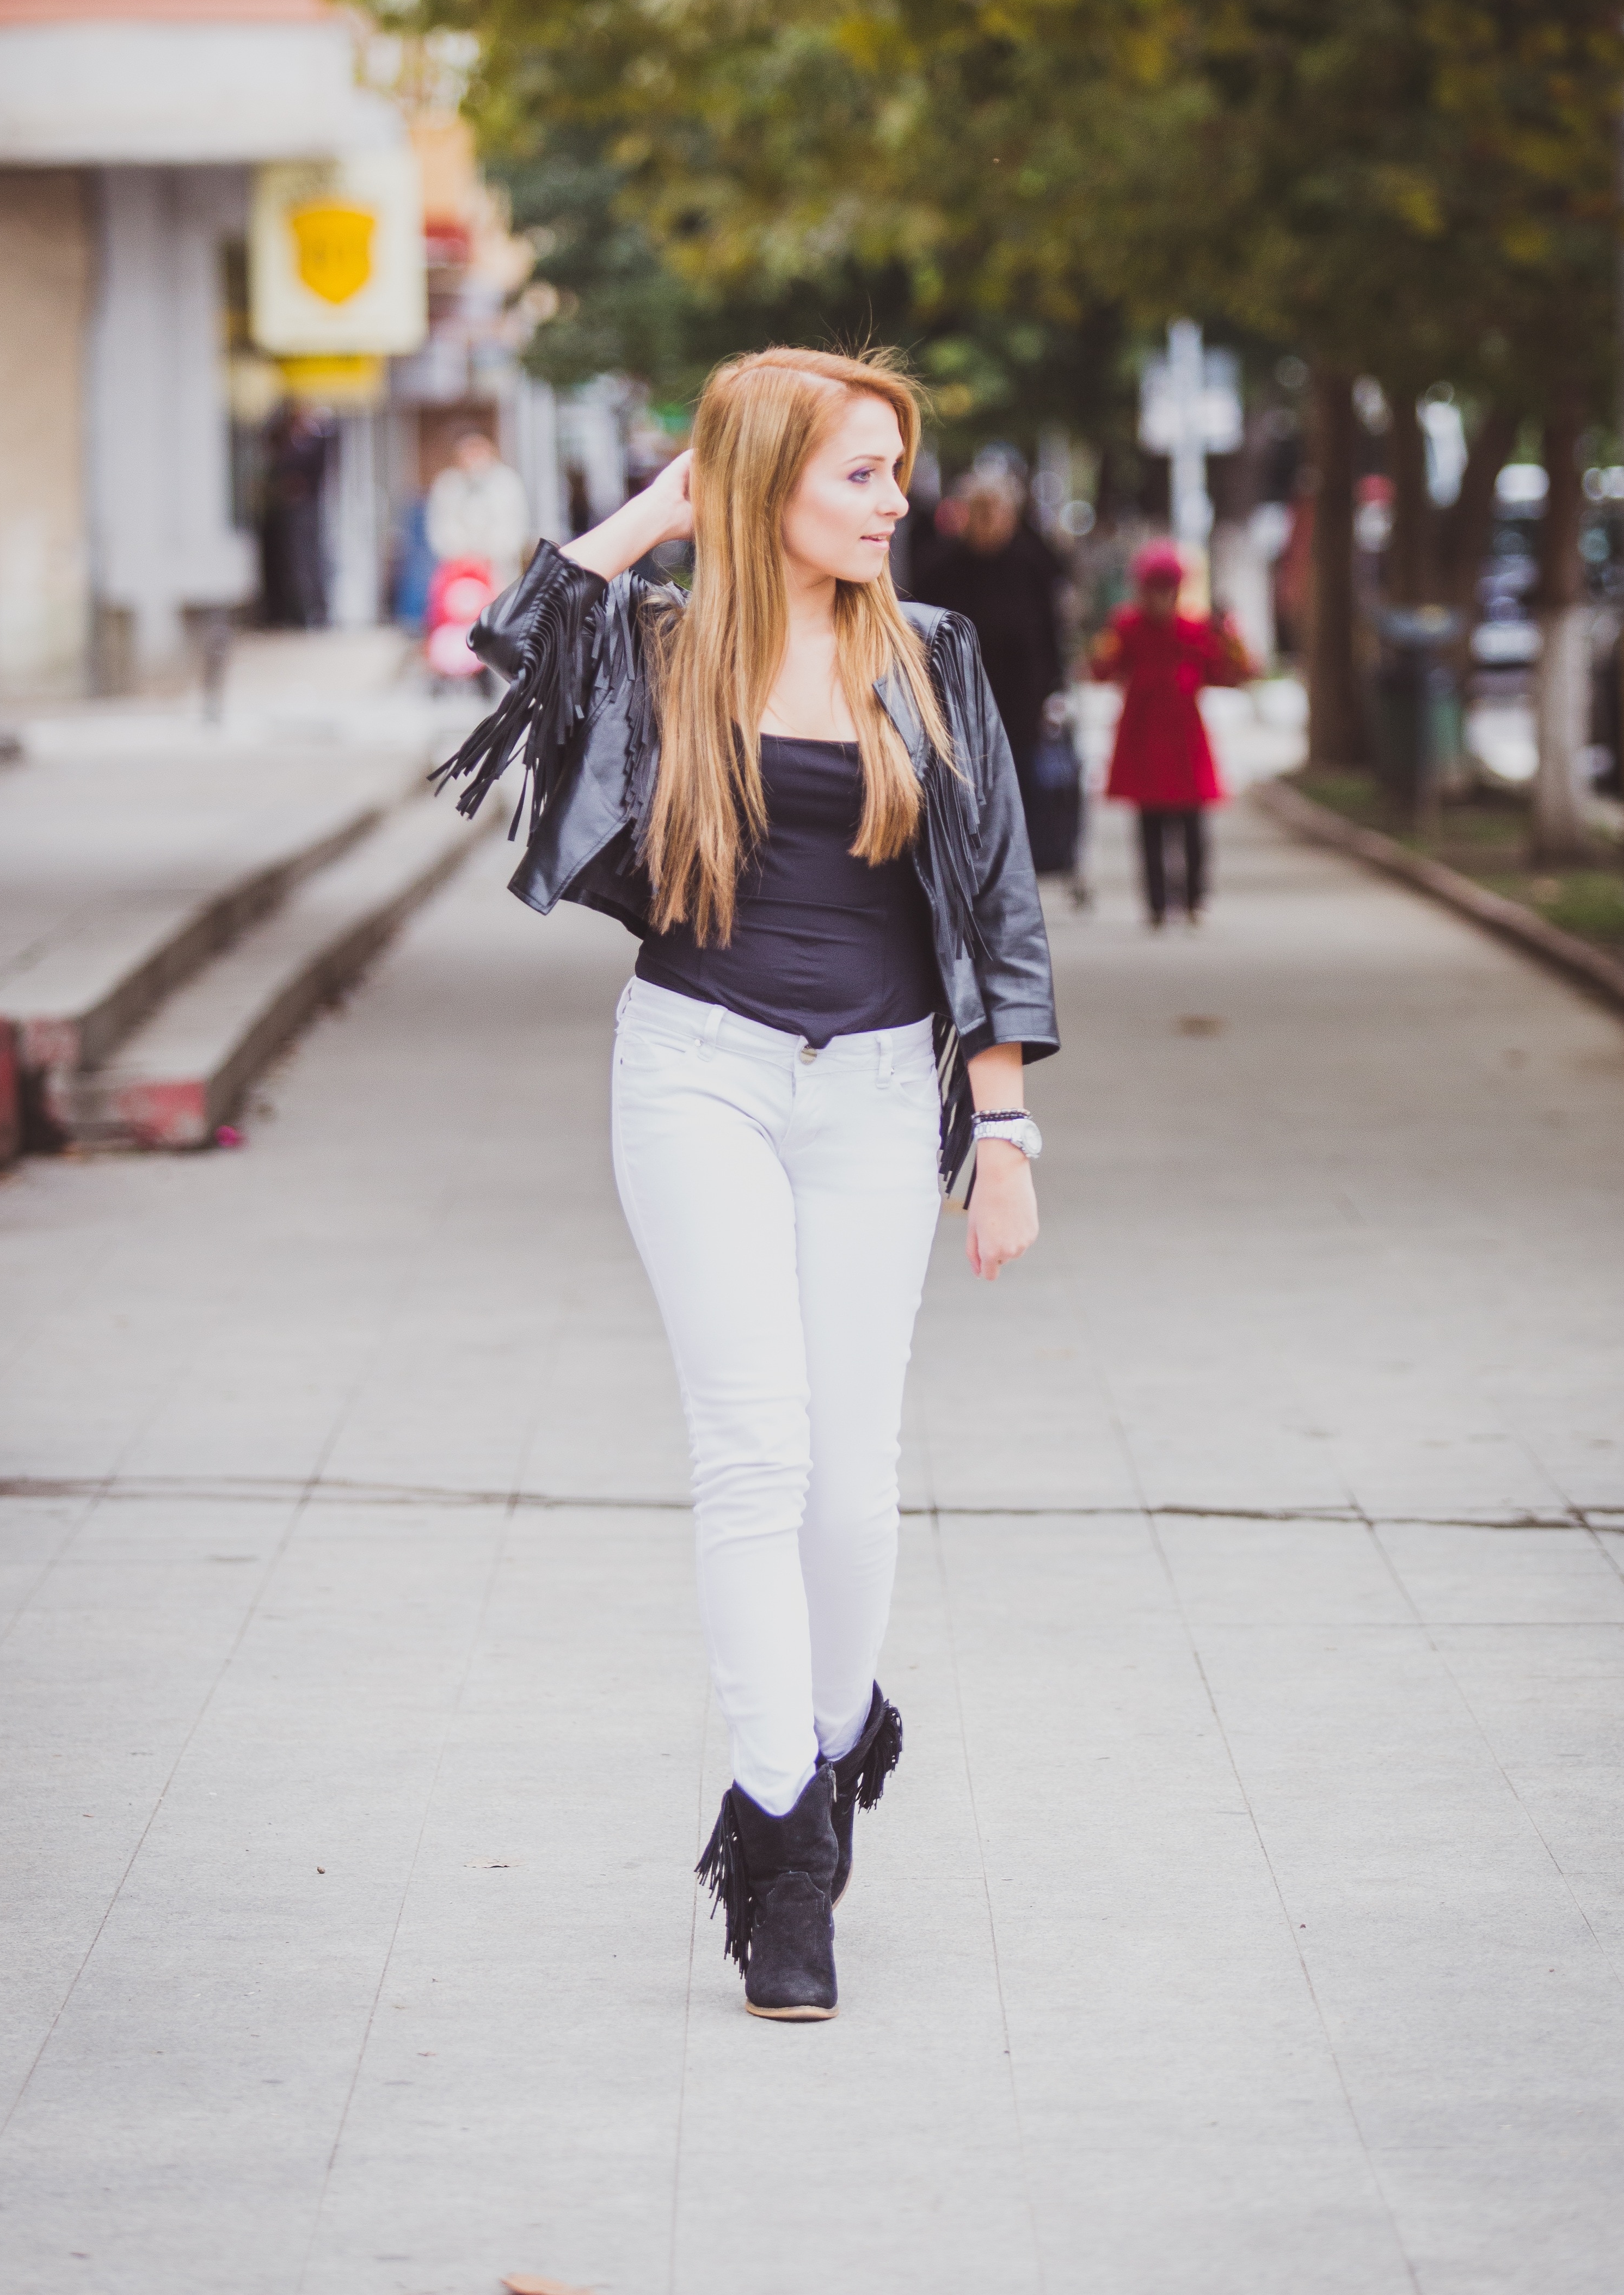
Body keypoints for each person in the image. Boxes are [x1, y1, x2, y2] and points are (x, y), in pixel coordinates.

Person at [434, 348, 1057, 2023]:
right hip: (695, 1072)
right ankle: (779, 1845)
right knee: (755, 1451)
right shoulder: (660, 652)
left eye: (898, 471)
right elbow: (517, 630)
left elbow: (993, 896)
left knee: (853, 1479)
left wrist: (1003, 1135)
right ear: (770, 480)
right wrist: (678, 495)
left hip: (870, 1093)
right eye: (860, 471)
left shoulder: (931, 657)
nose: (895, 502)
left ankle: (839, 1727)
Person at [1093, 541, 1252, 926]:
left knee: (1192, 820)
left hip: (1184, 735)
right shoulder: (1126, 627)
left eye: (1168, 589)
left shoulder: (1196, 630)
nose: (1161, 598)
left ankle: (1195, 895)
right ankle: (1158, 902)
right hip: (1143, 733)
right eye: (1154, 589)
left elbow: (1231, 673)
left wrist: (1230, 636)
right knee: (1150, 822)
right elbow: (1102, 669)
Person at [915, 466, 1066, 855]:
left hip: (1020, 699)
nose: (986, 519)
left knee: (1016, 782)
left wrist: (1056, 689)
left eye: (995, 510)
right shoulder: (939, 567)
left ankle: (1017, 856)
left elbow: (1051, 631)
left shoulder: (1032, 564)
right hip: (956, 698)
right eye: (978, 509)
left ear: (1011, 515)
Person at [424, 428, 534, 588]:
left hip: (499, 570)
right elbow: (440, 526)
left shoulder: (507, 482)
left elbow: (516, 526)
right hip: (459, 571)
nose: (473, 457)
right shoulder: (448, 483)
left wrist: (491, 554)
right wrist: (462, 555)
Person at [259, 398, 332, 629]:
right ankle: (298, 612)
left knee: (308, 561)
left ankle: (314, 611)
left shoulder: (314, 444)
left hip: (305, 510)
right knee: (296, 563)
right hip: (292, 512)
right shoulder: (289, 444)